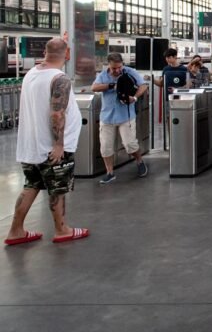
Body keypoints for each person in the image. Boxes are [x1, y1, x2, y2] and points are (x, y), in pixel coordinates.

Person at [5, 38, 89, 245]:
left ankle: (16, 230)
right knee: (57, 189)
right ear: (67, 54)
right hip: (51, 147)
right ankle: (62, 229)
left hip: (31, 146)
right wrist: (59, 144)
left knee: (31, 185)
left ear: (44, 52)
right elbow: (57, 114)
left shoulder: (31, 74)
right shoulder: (59, 79)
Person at [91, 52, 149, 184]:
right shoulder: (103, 75)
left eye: (119, 67)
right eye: (114, 68)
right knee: (105, 147)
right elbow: (94, 87)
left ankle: (139, 161)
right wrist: (111, 85)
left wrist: (134, 97)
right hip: (107, 116)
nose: (117, 70)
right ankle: (110, 172)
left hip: (125, 115)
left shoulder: (129, 72)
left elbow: (143, 85)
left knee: (129, 144)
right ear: (109, 65)